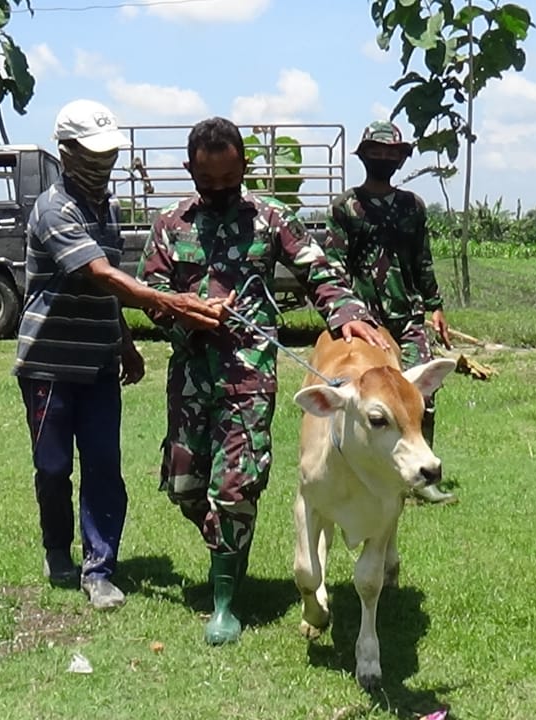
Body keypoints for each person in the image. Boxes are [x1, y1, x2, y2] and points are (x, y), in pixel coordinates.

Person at [138, 116, 387, 644]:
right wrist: (184, 311)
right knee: (185, 486)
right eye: (210, 183)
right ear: (191, 172)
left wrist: (344, 313)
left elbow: (319, 272)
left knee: (235, 483)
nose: (222, 192)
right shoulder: (169, 225)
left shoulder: (272, 218)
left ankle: (225, 600)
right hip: (190, 375)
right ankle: (225, 543)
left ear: (244, 168)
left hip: (248, 373)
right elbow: (150, 292)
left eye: (231, 181)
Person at [14, 100, 226, 611]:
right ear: (65, 153)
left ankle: (100, 569)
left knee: (105, 465)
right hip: (49, 363)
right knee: (53, 466)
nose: (102, 166)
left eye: (109, 155)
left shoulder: (105, 209)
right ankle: (55, 548)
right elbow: (102, 275)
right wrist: (172, 302)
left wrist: (124, 341)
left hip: (98, 362)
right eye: (92, 155)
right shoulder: (53, 208)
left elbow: (109, 291)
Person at [322, 120, 459, 505]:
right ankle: (364, 468)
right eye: (375, 152)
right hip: (365, 323)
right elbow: (332, 264)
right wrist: (344, 314)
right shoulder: (346, 207)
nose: (383, 158)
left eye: (390, 153)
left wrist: (435, 305)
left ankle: (422, 477)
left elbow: (423, 259)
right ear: (363, 156)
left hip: (409, 314)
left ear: (401, 158)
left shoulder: (411, 207)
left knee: (421, 395)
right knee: (369, 401)